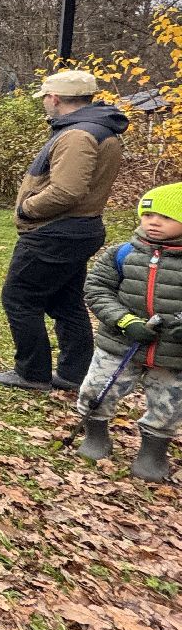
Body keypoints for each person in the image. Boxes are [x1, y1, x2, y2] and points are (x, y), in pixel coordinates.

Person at [0, 70, 129, 392]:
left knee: (19, 298)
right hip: (76, 229)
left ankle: (32, 374)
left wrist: (27, 208)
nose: (45, 105)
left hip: (56, 232)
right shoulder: (99, 128)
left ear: (54, 98)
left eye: (45, 99)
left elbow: (66, 191)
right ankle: (75, 374)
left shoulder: (78, 135)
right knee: (66, 303)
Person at [77, 182, 182, 482]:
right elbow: (97, 288)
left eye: (165, 216)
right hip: (119, 343)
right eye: (148, 215)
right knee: (97, 390)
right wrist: (124, 321)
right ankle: (96, 435)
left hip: (173, 354)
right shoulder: (122, 253)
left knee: (169, 404)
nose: (154, 222)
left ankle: (153, 452)